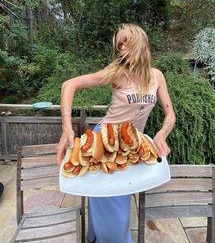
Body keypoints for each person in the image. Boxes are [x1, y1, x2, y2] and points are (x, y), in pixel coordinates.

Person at [56, 23, 176, 243]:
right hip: (105, 142)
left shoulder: (157, 76)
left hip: (132, 144)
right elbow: (69, 85)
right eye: (119, 45)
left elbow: (170, 114)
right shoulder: (117, 73)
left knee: (118, 199)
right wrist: (66, 128)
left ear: (140, 42)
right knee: (112, 204)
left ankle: (95, 236)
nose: (121, 48)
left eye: (126, 42)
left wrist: (161, 134)